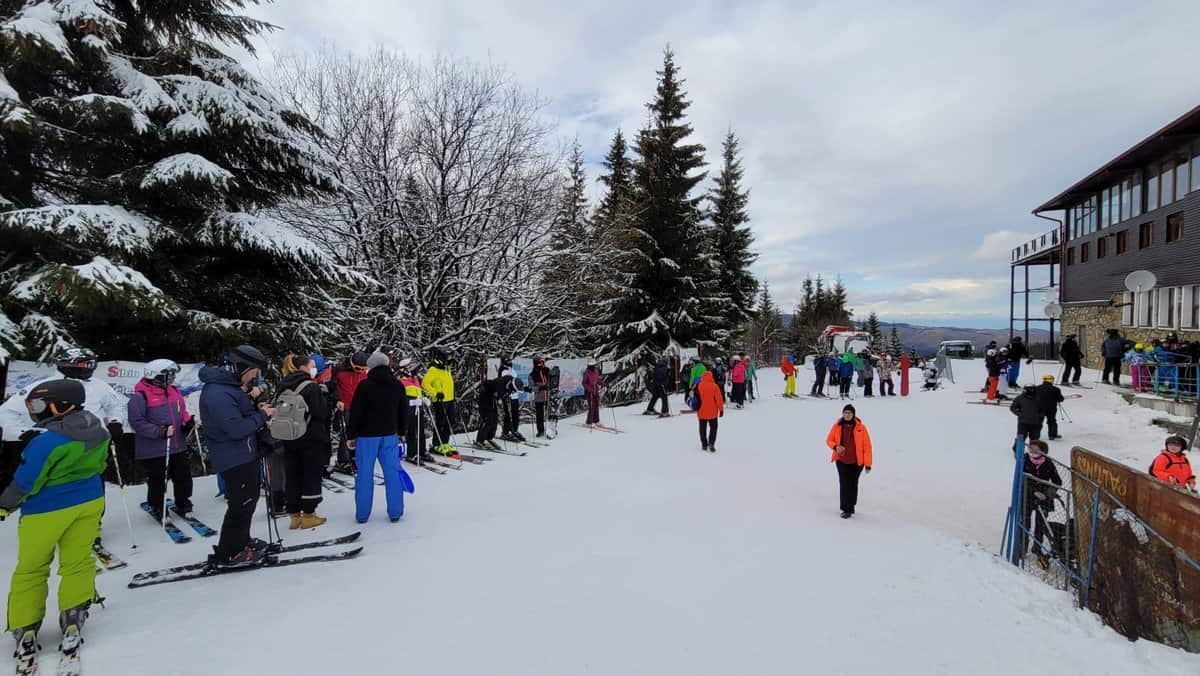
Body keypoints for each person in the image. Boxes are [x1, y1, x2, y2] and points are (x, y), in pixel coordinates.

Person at [0, 380, 109, 666]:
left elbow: (26, 482)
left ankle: (25, 624)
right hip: (89, 502)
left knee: (31, 568)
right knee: (78, 561)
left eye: (38, 406)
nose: (34, 412)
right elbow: (97, 465)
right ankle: (73, 613)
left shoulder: (46, 442)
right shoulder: (98, 429)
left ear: (61, 406)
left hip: (46, 511)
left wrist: (4, 505)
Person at [199, 344, 274, 568]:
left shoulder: (229, 387)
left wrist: (256, 407)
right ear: (242, 368)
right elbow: (235, 428)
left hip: (243, 454)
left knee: (247, 502)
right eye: (255, 372)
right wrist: (261, 416)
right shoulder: (218, 393)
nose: (256, 377)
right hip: (234, 457)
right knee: (240, 505)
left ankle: (241, 541)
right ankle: (230, 553)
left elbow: (240, 412)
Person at [345, 352, 408, 523]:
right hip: (390, 434)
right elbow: (403, 411)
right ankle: (395, 512)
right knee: (392, 472)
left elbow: (356, 412)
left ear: (370, 367)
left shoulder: (364, 385)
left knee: (365, 474)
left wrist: (351, 435)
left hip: (367, 436)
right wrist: (402, 431)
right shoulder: (397, 385)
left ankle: (362, 514)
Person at [127, 359, 193, 521]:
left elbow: (181, 410)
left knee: (183, 476)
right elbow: (137, 422)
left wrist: (187, 422)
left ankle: (183, 501)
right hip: (154, 448)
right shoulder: (140, 396)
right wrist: (160, 432)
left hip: (177, 444)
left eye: (172, 375)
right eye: (168, 375)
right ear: (156, 376)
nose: (171, 378)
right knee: (158, 479)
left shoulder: (173, 391)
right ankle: (157, 506)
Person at [275, 354, 329, 530]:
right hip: (310, 436)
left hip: (289, 436)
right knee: (310, 474)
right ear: (304, 367)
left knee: (292, 475)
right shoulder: (311, 387)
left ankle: (294, 515)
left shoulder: (282, 384)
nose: (314, 368)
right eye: (312, 365)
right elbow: (321, 412)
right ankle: (309, 515)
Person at [825, 404, 873, 519]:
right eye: (845, 413)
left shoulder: (861, 428)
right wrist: (836, 447)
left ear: (853, 415)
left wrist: (868, 464)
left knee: (853, 484)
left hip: (856, 462)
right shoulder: (837, 426)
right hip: (842, 460)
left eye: (849, 413)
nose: (847, 415)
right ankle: (846, 509)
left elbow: (867, 447)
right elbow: (829, 440)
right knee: (844, 484)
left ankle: (851, 505)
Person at [1021, 440, 1063, 567]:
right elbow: (1021, 478)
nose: (1032, 451)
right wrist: (1033, 492)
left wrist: (1047, 494)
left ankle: (1037, 548)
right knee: (1025, 523)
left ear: (1043, 451)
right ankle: (1021, 549)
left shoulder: (1048, 463)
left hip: (1043, 501)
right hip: (1027, 498)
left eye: (1035, 448)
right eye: (1031, 448)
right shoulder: (1024, 460)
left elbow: (1057, 481)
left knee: (1040, 525)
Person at [330, 351, 369, 473]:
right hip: (345, 406)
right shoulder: (340, 370)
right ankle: (343, 461)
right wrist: (337, 400)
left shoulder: (363, 374)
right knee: (347, 434)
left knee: (359, 433)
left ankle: (354, 457)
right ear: (352, 363)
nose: (360, 371)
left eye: (363, 369)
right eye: (358, 368)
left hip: (360, 406)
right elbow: (333, 386)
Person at [397, 359, 435, 462]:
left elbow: (418, 392)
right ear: (408, 369)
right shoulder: (401, 380)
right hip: (409, 409)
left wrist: (423, 399)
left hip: (418, 407)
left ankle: (422, 451)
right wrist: (409, 401)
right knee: (412, 431)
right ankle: (412, 453)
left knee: (420, 430)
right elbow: (401, 397)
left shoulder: (415, 378)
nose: (416, 371)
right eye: (414, 369)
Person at [421, 350, 456, 456]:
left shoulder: (446, 369)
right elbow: (425, 383)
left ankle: (444, 442)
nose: (448, 360)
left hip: (449, 399)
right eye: (447, 357)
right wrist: (436, 393)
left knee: (450, 421)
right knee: (441, 422)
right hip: (440, 400)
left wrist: (453, 396)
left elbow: (448, 383)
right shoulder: (433, 369)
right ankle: (436, 444)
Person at [694, 371, 724, 452]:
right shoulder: (715, 386)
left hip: (701, 411)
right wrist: (721, 410)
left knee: (702, 428)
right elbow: (719, 399)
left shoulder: (699, 385)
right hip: (713, 412)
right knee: (713, 428)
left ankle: (704, 444)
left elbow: (695, 397)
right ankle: (711, 443)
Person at [498, 358, 526, 442]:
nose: (510, 363)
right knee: (507, 414)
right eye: (508, 361)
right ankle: (506, 432)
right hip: (508, 395)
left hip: (514, 395)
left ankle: (514, 430)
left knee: (515, 414)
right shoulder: (503, 371)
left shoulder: (512, 370)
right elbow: (505, 384)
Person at [475, 369, 502, 449]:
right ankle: (480, 440)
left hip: (492, 403)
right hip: (485, 404)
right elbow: (486, 388)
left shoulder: (501, 385)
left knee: (494, 420)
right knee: (487, 421)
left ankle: (489, 437)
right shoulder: (494, 384)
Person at [1035, 374, 1065, 441]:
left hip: (1039, 408)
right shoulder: (1056, 389)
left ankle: (1035, 436)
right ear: (1051, 380)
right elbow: (1060, 399)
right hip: (1051, 408)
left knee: (1038, 422)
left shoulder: (1037, 388)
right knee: (1052, 421)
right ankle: (1052, 435)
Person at [583, 357, 604, 426]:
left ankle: (596, 420)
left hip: (595, 390)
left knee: (596, 405)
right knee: (591, 406)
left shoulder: (596, 371)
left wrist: (604, 384)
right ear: (588, 365)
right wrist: (589, 389)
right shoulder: (586, 372)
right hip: (589, 392)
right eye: (591, 365)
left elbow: (597, 380)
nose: (593, 367)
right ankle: (589, 422)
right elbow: (584, 383)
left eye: (593, 365)